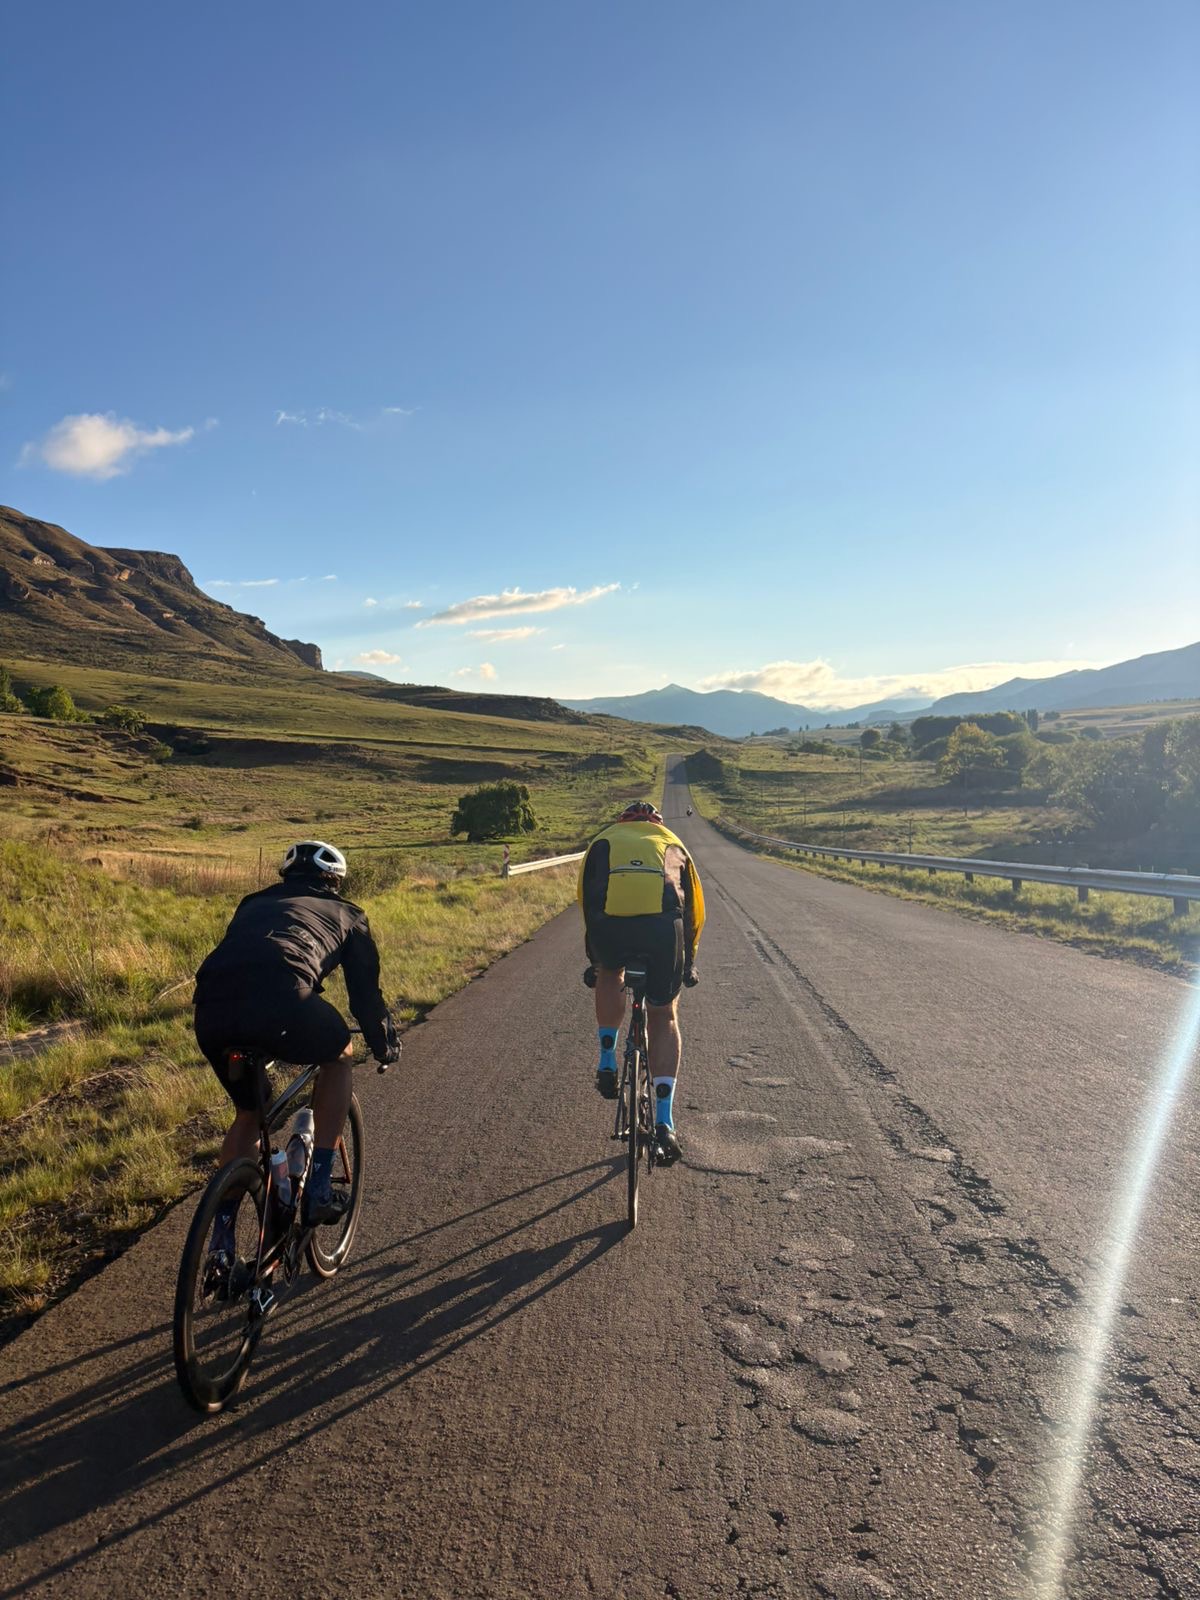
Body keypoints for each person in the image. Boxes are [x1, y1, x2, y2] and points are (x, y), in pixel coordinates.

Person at [193, 840, 400, 1258]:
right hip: (285, 1001)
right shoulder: (349, 914)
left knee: (250, 1114)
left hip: (211, 1008)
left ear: (286, 877)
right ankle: (319, 1186)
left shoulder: (252, 902)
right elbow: (364, 998)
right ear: (335, 882)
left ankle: (220, 1243)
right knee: (339, 1053)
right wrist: (383, 1045)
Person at [578, 800, 704, 1164]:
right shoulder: (672, 842)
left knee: (608, 975)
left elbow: (587, 902)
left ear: (623, 821)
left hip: (610, 930)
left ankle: (606, 1060)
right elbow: (695, 910)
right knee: (663, 1015)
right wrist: (689, 961)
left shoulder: (602, 841)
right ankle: (665, 1123)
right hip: (663, 933)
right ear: (656, 822)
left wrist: (596, 960)